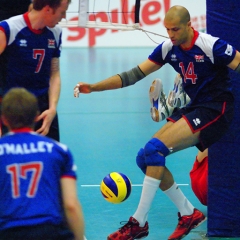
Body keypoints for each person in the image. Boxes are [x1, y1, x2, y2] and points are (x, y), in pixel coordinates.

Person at [73, 5, 239, 239]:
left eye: (175, 29)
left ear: (189, 26)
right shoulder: (168, 48)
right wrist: (94, 87)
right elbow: (133, 75)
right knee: (145, 158)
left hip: (217, 110)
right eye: (167, 29)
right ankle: (188, 212)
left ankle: (138, 221)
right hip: (195, 108)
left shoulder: (212, 46)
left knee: (154, 149)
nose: (170, 34)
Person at [0, 87, 85, 240]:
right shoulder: (59, 151)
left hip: (8, 232)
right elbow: (71, 205)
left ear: (4, 119)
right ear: (37, 116)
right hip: (49, 231)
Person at [0, 0, 71, 141]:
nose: (64, 17)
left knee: (49, 157)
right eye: (62, 12)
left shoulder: (55, 32)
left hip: (43, 108)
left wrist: (52, 109)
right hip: (12, 106)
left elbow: (54, 73)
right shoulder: (9, 28)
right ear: (48, 9)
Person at [149, 74, 208, 206]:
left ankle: (179, 107)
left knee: (217, 123)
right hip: (209, 186)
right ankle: (181, 105)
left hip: (200, 180)